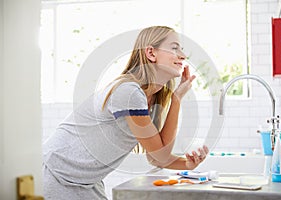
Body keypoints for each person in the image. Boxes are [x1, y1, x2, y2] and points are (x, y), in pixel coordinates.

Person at [43, 25, 209, 200]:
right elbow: (161, 154)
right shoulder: (129, 92)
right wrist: (176, 99)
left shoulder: (151, 102)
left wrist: (187, 164)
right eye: (174, 48)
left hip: (86, 182)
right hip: (57, 175)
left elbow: (156, 158)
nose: (183, 55)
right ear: (151, 53)